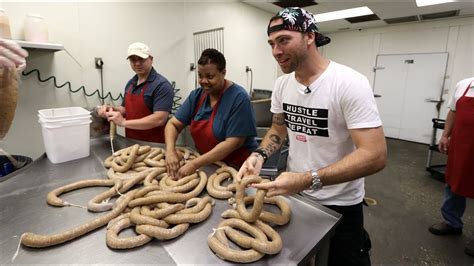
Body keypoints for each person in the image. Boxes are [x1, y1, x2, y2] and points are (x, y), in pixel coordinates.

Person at [236, 7, 387, 266]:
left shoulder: (349, 83)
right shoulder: (283, 85)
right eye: (272, 43)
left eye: (284, 40)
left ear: (310, 36)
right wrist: (259, 155)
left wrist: (308, 179)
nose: (276, 51)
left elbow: (375, 155)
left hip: (340, 204)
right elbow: (278, 129)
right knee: (297, 259)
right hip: (297, 198)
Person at [165, 48, 257, 179]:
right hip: (207, 165)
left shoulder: (239, 98)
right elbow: (173, 124)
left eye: (210, 76)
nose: (203, 81)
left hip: (237, 168)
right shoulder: (196, 96)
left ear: (223, 73)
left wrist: (194, 164)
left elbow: (233, 143)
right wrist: (170, 151)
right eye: (200, 76)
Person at [429, 77, 474, 257]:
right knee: (454, 183)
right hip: (462, 146)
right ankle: (452, 223)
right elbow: (453, 112)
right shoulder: (464, 85)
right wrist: (445, 135)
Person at [97, 42, 174, 143]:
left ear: (151, 59)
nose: (137, 63)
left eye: (141, 59)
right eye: (133, 60)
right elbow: (125, 109)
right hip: (131, 142)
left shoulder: (161, 85)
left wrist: (124, 122)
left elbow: (159, 119)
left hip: (154, 146)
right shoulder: (131, 83)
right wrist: (112, 109)